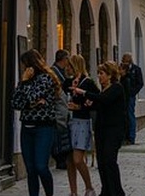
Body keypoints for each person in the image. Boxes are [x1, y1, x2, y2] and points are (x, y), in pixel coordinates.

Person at [11, 49, 62, 196]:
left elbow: (31, 98)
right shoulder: (25, 81)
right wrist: (25, 86)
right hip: (27, 127)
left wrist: (29, 97)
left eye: (25, 65)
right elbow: (15, 103)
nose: (24, 69)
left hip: (43, 128)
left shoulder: (46, 79)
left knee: (41, 166)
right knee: (31, 169)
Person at [74, 62, 126, 196]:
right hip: (101, 130)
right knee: (102, 162)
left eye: (101, 73)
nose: (99, 76)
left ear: (109, 75)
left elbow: (105, 100)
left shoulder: (116, 88)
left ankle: (116, 191)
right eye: (98, 73)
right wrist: (85, 105)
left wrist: (85, 93)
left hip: (113, 130)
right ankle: (106, 190)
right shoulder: (102, 89)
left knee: (109, 160)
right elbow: (98, 104)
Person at [64, 54, 98, 196]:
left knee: (78, 159)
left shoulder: (87, 82)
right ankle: (73, 192)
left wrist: (81, 107)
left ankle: (89, 187)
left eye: (69, 66)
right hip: (69, 121)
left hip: (82, 122)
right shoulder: (70, 82)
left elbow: (95, 100)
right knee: (69, 160)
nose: (67, 69)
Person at [50, 50, 71, 170]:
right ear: (63, 59)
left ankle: (62, 158)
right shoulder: (54, 72)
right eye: (67, 59)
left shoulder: (62, 72)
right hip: (58, 108)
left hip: (63, 107)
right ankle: (59, 158)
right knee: (59, 134)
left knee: (62, 133)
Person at [120, 53, 144, 144]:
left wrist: (133, 92)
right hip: (122, 95)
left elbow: (140, 83)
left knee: (130, 114)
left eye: (126, 60)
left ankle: (131, 137)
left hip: (130, 96)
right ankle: (124, 136)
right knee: (123, 115)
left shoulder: (136, 69)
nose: (125, 62)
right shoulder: (120, 69)